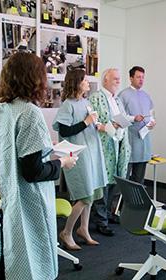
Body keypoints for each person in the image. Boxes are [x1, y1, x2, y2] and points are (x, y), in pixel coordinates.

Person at [0, 53, 76, 279]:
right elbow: (33, 171)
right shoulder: (28, 112)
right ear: (36, 78)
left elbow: (2, 152)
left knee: (3, 253)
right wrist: (62, 162)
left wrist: (46, 149)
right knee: (25, 257)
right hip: (21, 200)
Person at [53, 69, 108, 250]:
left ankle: (83, 229)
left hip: (92, 152)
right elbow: (65, 131)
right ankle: (67, 232)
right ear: (76, 82)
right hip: (78, 155)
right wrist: (86, 121)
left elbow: (88, 123)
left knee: (92, 193)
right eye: (84, 80)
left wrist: (96, 125)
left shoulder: (86, 102)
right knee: (85, 195)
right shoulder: (67, 105)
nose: (87, 83)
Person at [89, 68, 131, 236]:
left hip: (119, 144)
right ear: (105, 80)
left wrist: (122, 123)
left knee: (115, 180)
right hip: (104, 146)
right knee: (103, 183)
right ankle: (101, 220)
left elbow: (122, 117)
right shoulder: (95, 98)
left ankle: (108, 213)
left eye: (119, 79)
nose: (118, 82)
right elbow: (92, 122)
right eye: (115, 79)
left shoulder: (118, 100)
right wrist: (107, 126)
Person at [118, 66, 155, 185]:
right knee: (125, 176)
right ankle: (121, 202)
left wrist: (152, 122)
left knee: (139, 178)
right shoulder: (123, 95)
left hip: (144, 140)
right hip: (130, 140)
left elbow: (150, 114)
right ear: (131, 78)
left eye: (143, 77)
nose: (141, 80)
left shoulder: (146, 95)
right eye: (138, 77)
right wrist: (134, 118)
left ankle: (137, 202)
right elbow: (119, 116)